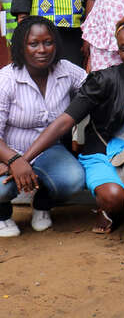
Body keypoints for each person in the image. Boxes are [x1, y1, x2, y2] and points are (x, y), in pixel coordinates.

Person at [23, 16, 124, 234]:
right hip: (103, 152)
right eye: (123, 48)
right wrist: (24, 160)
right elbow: (65, 121)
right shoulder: (104, 80)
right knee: (114, 197)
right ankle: (109, 209)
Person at [0, 17, 86, 237]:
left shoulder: (65, 71)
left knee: (73, 180)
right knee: (1, 187)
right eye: (34, 44)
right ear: (21, 46)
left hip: (50, 151)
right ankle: (2, 214)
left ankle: (42, 205)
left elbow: (93, 87)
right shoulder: (6, 79)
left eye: (48, 42)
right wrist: (13, 160)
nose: (42, 50)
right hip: (8, 152)